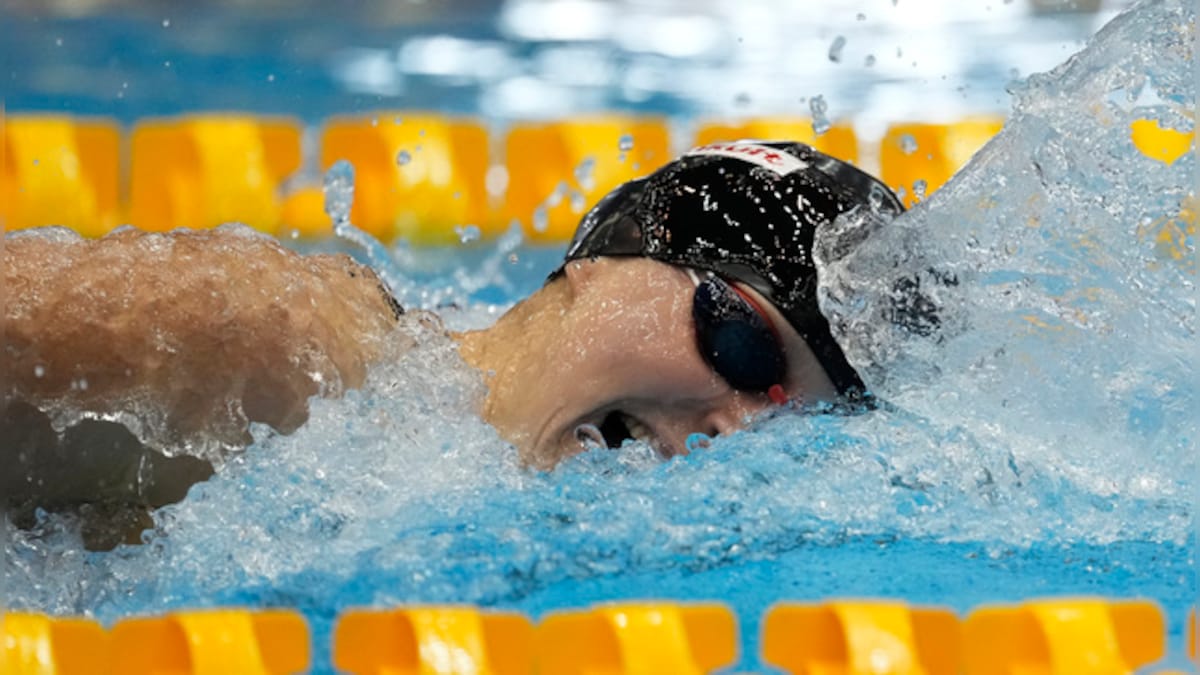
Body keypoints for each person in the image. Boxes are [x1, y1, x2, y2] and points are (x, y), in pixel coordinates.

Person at [1, 140, 903, 547]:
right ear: (607, 258)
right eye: (743, 347)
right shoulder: (293, 347)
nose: (731, 433)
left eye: (784, 424)